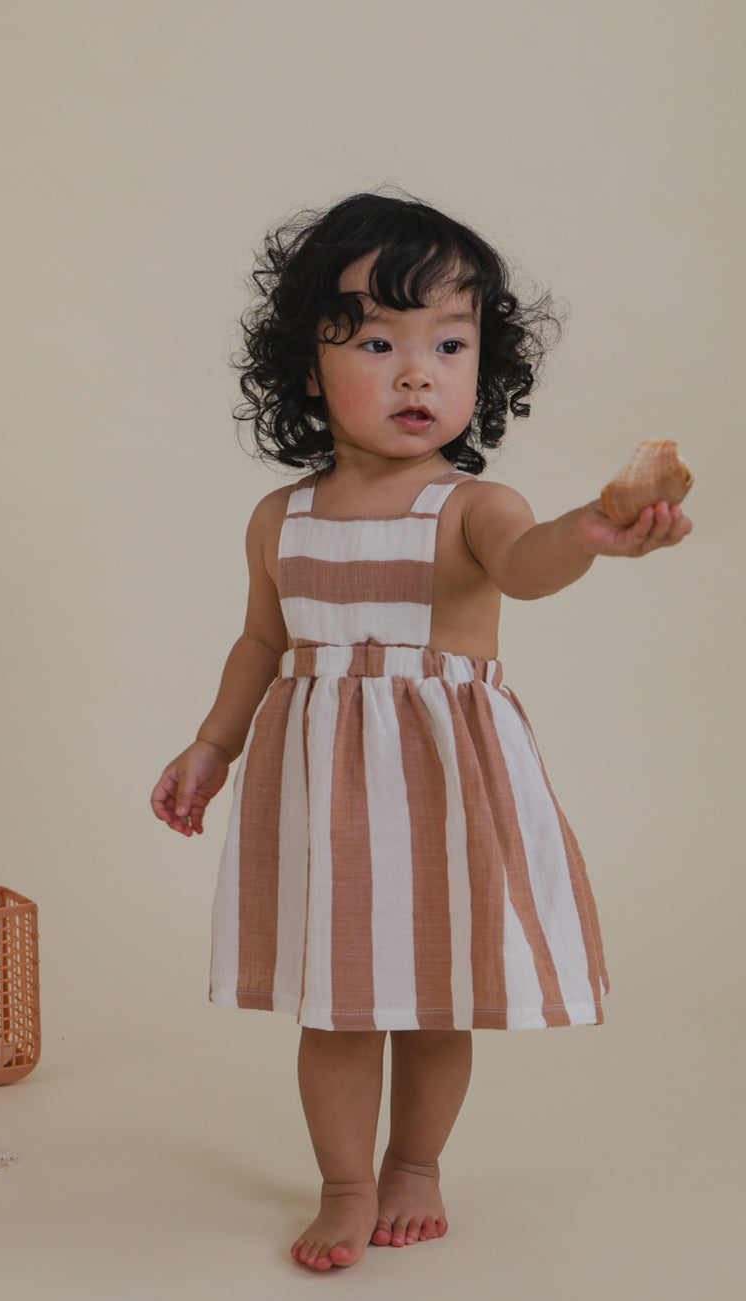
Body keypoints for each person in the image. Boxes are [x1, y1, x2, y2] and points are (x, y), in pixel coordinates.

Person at [150, 191, 692, 1272]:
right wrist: (211, 744)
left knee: (434, 995)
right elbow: (261, 644)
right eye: (377, 341)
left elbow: (527, 566)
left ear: (480, 367)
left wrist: (587, 534)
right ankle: (346, 1179)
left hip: (438, 787)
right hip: (323, 800)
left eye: (450, 343)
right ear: (306, 369)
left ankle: (415, 1164)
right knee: (338, 1003)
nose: (416, 371)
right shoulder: (281, 518)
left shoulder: (469, 506)